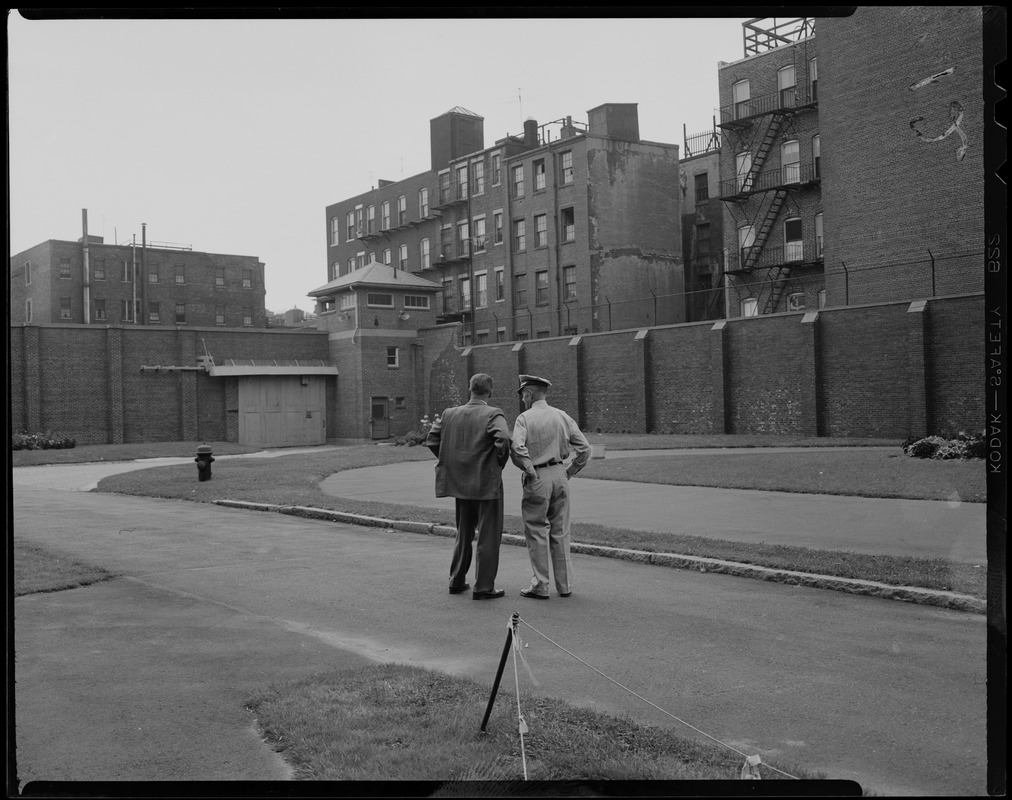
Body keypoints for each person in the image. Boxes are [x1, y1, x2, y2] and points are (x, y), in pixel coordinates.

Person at [426, 373, 511, 600]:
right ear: (489, 391)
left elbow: (432, 440)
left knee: (463, 532)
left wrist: (451, 462)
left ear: (469, 389)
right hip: (486, 482)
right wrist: (497, 464)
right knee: (488, 534)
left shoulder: (449, 414)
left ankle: (457, 580)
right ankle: (483, 587)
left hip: (460, 482)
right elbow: (503, 438)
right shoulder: (493, 413)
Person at [510, 374, 591, 599]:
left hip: (538, 475)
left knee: (536, 530)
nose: (523, 398)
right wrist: (570, 471)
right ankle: (564, 585)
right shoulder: (562, 416)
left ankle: (541, 585)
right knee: (560, 531)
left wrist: (529, 469)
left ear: (530, 393)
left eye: (523, 393)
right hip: (560, 472)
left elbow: (517, 448)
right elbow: (585, 449)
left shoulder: (524, 418)